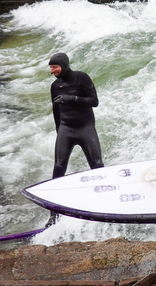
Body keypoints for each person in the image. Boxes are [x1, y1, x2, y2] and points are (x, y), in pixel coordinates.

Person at [46, 53, 104, 227]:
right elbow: (56, 111)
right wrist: (59, 131)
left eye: (55, 67)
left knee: (97, 165)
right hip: (66, 129)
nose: (53, 71)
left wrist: (71, 98)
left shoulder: (81, 77)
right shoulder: (55, 86)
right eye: (51, 68)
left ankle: (105, 205)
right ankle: (54, 214)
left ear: (63, 65)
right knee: (58, 167)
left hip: (85, 128)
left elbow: (94, 101)